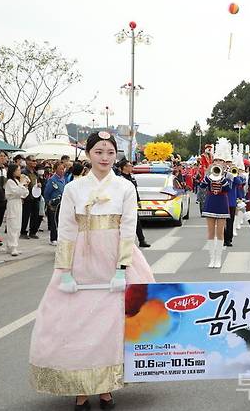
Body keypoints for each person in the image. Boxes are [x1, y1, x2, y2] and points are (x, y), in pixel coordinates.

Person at [29, 131, 156, 410]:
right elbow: (66, 230)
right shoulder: (74, 189)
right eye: (99, 152)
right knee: (76, 324)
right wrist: (64, 270)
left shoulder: (125, 187)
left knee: (113, 325)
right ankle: (81, 388)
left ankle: (107, 387)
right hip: (82, 259)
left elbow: (127, 229)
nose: (105, 158)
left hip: (115, 257)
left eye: (110, 153)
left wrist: (122, 268)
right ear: (88, 154)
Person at [199, 138, 233, 268]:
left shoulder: (228, 175)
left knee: (220, 232)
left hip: (222, 203)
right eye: (216, 160)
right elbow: (202, 186)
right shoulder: (209, 173)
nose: (218, 162)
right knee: (210, 232)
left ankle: (218, 259)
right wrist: (208, 177)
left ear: (224, 163)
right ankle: (211, 258)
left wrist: (222, 178)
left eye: (220, 161)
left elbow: (228, 189)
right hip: (210, 202)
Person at [117, 159, 150, 248]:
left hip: (132, 203)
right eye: (130, 166)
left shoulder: (132, 177)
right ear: (124, 167)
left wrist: (138, 201)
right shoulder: (120, 179)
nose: (132, 167)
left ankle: (141, 240)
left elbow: (135, 191)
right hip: (123, 204)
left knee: (136, 221)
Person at [4, 163, 30, 256]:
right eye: (18, 170)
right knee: (13, 225)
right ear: (13, 171)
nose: (20, 172)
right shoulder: (10, 181)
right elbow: (17, 192)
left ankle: (12, 246)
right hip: (12, 203)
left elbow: (24, 193)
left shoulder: (16, 181)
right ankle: (12, 246)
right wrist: (22, 184)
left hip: (18, 203)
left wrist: (24, 185)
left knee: (17, 225)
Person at [44, 161, 68, 246]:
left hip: (62, 203)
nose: (62, 170)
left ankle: (59, 237)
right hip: (53, 204)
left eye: (63, 169)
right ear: (55, 169)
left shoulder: (64, 179)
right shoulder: (52, 180)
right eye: (60, 169)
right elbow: (46, 193)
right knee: (53, 221)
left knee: (60, 221)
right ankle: (53, 238)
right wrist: (48, 203)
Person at [21, 155, 43, 239]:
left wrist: (40, 184)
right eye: (32, 160)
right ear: (27, 161)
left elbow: (39, 182)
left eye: (35, 161)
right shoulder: (23, 172)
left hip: (35, 196)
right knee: (25, 215)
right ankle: (23, 232)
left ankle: (33, 231)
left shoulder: (36, 172)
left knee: (35, 215)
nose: (35, 162)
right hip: (27, 196)